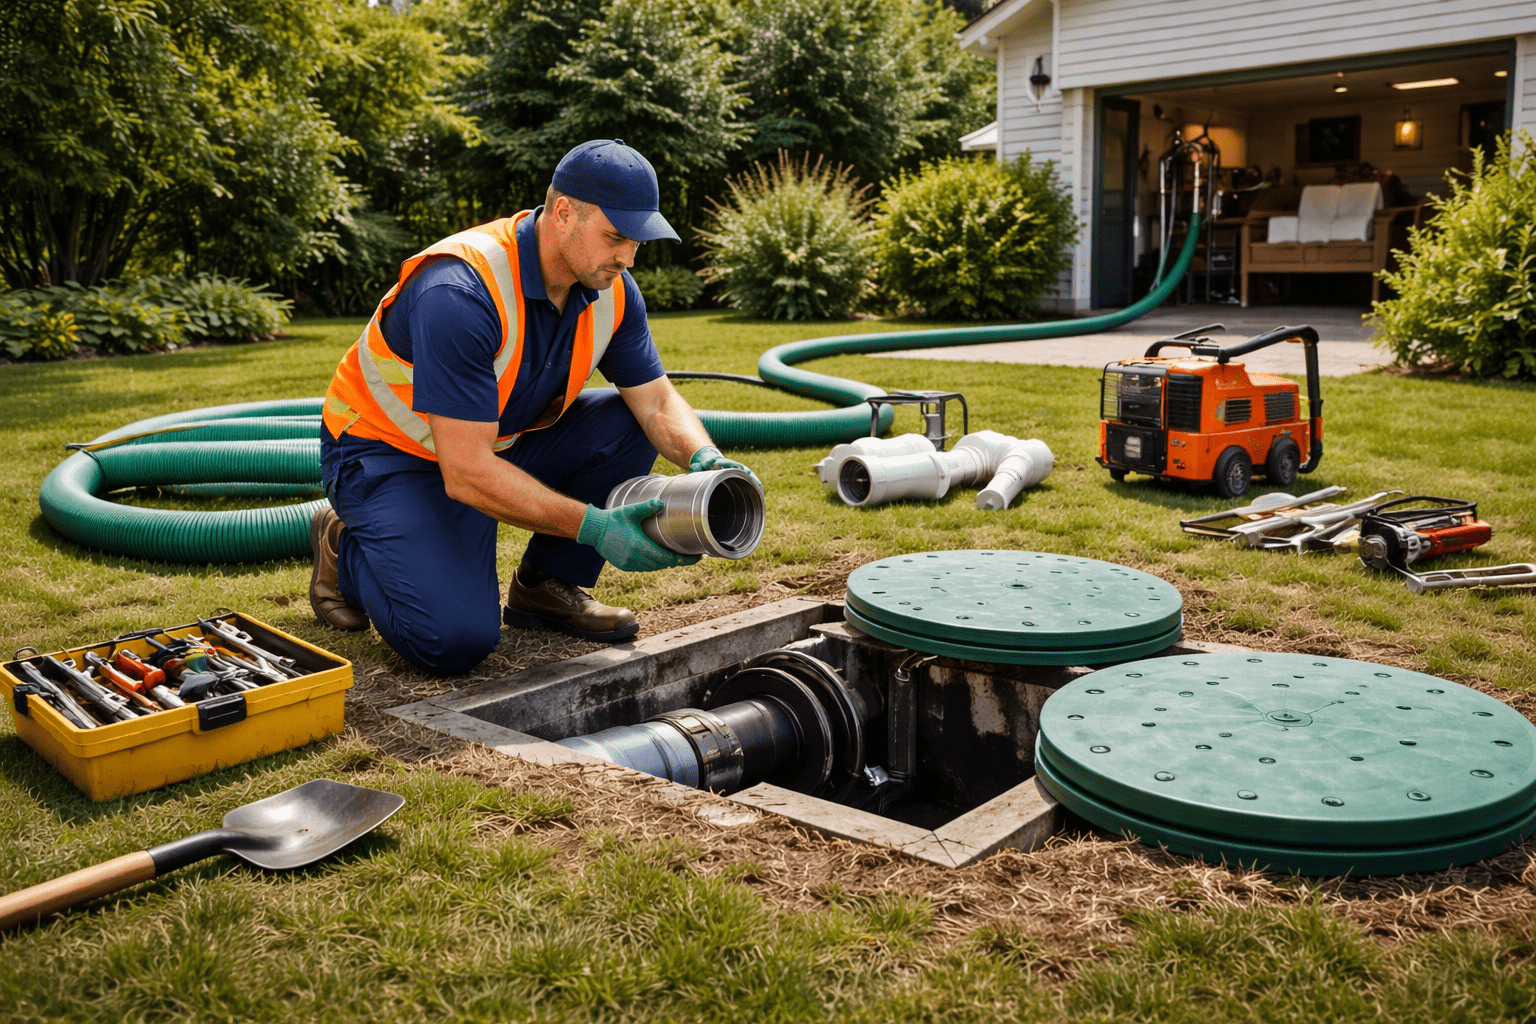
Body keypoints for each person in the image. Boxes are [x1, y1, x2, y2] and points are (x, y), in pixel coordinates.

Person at [310, 139, 759, 676]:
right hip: (388, 458)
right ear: (563, 212)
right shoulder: (460, 291)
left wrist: (704, 458)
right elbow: (468, 472)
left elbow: (657, 400)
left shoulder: (611, 288)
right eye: (616, 237)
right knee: (453, 640)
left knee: (625, 422)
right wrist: (595, 526)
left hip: (488, 446)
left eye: (638, 242)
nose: (628, 258)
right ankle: (347, 548)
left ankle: (545, 586)